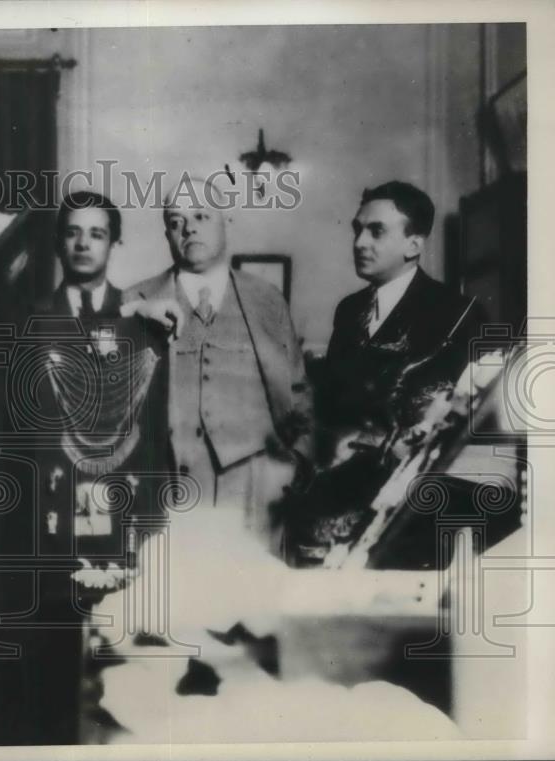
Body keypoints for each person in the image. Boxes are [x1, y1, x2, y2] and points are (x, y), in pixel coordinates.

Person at [122, 176, 313, 553]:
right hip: (167, 487)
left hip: (255, 492)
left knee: (252, 603)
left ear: (227, 221)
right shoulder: (135, 300)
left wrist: (295, 467)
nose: (189, 227)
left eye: (201, 215)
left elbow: (298, 393)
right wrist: (129, 313)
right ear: (167, 235)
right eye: (176, 221)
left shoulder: (267, 301)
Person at [318, 181, 486, 462]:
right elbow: (330, 406)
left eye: (377, 231)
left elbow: (469, 419)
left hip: (413, 485)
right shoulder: (348, 310)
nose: (360, 243)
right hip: (340, 477)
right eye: (358, 230)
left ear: (414, 245)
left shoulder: (461, 313)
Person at [37, 190, 124, 320]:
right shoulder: (32, 315)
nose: (83, 243)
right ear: (58, 244)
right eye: (72, 233)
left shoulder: (133, 310)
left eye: (96, 235)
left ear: (113, 246)